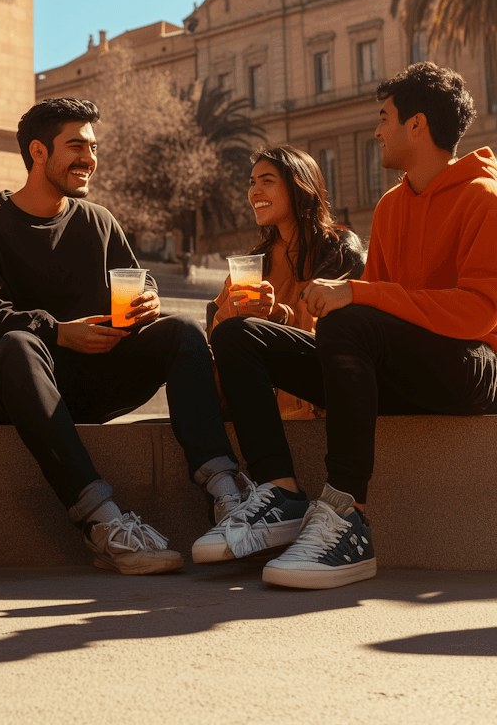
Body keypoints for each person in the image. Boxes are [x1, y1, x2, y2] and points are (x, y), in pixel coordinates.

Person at [0, 97, 245, 575]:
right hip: (8, 387)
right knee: (20, 344)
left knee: (183, 331)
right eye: (77, 146)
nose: (90, 157)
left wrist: (147, 300)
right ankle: (102, 521)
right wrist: (56, 332)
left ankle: (227, 497)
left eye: (93, 146)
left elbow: (134, 280)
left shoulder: (98, 222)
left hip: (90, 381)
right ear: (39, 152)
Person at [209, 63, 497, 589]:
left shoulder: (485, 199)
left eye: (384, 118)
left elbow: (478, 313)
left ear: (417, 125)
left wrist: (354, 293)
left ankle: (347, 517)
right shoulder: (390, 207)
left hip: (470, 367)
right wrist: (287, 321)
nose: (376, 130)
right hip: (399, 370)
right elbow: (377, 317)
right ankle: (282, 495)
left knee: (351, 315)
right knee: (238, 336)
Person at [207, 145, 365, 422]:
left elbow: (337, 332)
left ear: (299, 187)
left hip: (317, 389)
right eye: (252, 183)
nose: (255, 191)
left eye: (268, 181)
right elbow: (218, 332)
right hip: (250, 391)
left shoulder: (337, 249)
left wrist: (277, 314)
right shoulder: (254, 262)